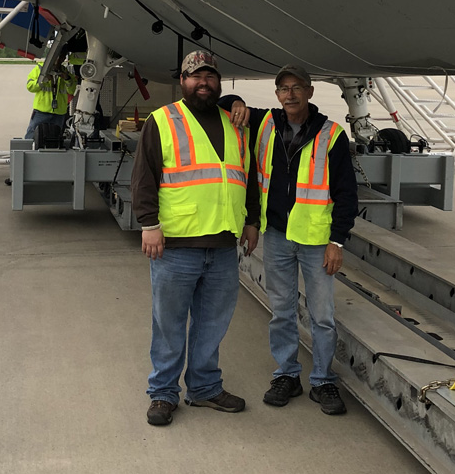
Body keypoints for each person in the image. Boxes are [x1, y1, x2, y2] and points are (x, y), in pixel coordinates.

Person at [131, 50, 261, 426]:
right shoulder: (163, 120)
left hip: (223, 244)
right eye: (195, 76)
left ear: (218, 82)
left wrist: (252, 220)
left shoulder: (236, 123)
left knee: (212, 324)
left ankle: (204, 388)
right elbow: (143, 177)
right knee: (169, 324)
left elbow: (247, 176)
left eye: (209, 76)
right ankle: (163, 393)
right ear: (183, 81)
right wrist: (149, 224)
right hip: (176, 244)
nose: (203, 82)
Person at [224, 64, 358, 415]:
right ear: (277, 94)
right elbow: (223, 104)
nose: (290, 94)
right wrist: (236, 100)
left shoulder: (331, 134)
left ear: (310, 92)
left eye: (297, 87)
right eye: (284, 88)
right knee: (281, 311)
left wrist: (337, 241)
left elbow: (347, 193)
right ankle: (287, 374)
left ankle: (323, 380)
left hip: (316, 240)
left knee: (322, 315)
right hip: (277, 236)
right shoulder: (266, 123)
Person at [23, 52, 79, 139]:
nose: (59, 60)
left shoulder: (65, 72)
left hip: (59, 113)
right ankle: (28, 147)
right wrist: (44, 80)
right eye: (57, 57)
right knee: (32, 134)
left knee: (56, 138)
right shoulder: (40, 69)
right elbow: (30, 87)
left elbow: (72, 91)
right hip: (41, 111)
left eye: (62, 58)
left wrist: (67, 79)